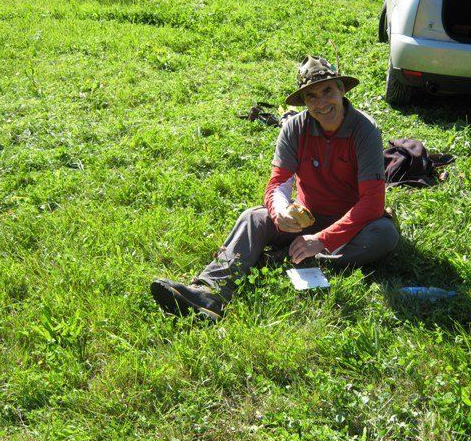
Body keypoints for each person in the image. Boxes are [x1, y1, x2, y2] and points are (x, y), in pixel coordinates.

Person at [151, 56, 399, 320]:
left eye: (328, 91)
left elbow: (372, 201)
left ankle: (294, 258)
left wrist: (322, 240)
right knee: (253, 217)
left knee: (384, 234)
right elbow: (278, 182)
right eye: (311, 96)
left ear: (341, 89)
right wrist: (280, 211)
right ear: (304, 102)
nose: (321, 103)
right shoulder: (295, 128)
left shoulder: (365, 130)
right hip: (307, 219)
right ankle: (211, 291)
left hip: (353, 227)